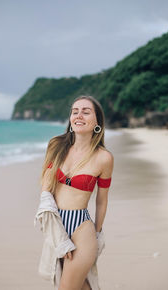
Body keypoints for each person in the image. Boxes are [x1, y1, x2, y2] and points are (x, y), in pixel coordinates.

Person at [40, 95, 114, 290]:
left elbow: (101, 200)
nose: (79, 115)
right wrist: (58, 237)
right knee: (81, 287)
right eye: (75, 111)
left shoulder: (104, 158)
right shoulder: (56, 146)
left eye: (86, 111)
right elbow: (46, 189)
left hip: (82, 229)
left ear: (97, 121)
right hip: (57, 225)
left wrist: (97, 234)